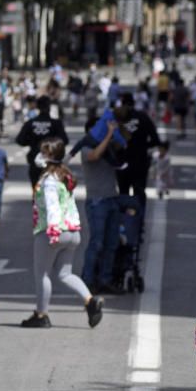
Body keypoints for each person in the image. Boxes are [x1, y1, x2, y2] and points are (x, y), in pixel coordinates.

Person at [21, 139, 104, 329]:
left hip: (53, 231)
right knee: (65, 273)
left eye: (43, 152)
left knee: (42, 274)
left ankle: (41, 315)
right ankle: (90, 301)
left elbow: (53, 207)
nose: (39, 156)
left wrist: (53, 231)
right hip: (72, 231)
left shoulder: (49, 181)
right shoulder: (64, 177)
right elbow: (70, 205)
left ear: (50, 156)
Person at [72, 118, 123, 294]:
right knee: (97, 242)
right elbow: (95, 155)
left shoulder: (108, 145)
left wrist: (116, 133)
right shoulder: (86, 148)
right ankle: (87, 280)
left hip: (112, 198)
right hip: (96, 201)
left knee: (111, 243)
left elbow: (122, 148)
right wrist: (108, 135)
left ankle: (105, 279)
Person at [116, 93, 160, 220]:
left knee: (123, 193)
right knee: (139, 192)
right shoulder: (143, 117)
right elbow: (156, 140)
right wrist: (143, 145)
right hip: (140, 162)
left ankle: (123, 224)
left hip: (122, 162)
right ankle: (138, 222)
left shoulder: (118, 118)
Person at [15, 95, 68, 192]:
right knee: (54, 190)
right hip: (52, 163)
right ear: (49, 107)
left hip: (35, 161)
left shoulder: (30, 123)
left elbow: (20, 140)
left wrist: (32, 142)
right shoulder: (56, 123)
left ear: (38, 107)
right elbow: (65, 140)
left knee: (36, 192)